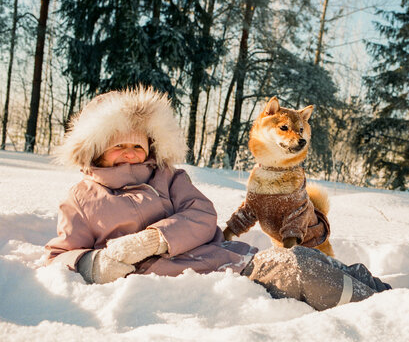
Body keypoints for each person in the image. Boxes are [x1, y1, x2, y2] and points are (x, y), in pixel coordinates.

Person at [45, 86, 391, 311]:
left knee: (304, 255)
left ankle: (391, 296)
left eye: (138, 145)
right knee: (300, 270)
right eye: (118, 145)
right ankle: (376, 311)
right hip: (204, 281)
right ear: (95, 148)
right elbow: (58, 257)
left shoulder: (169, 177)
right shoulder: (82, 199)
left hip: (230, 260)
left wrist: (154, 239)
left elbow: (201, 215)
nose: (131, 154)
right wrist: (97, 263)